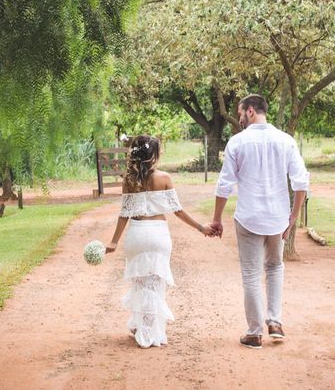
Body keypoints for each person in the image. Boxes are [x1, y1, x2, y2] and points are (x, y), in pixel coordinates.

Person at [211, 94, 309, 349]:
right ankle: (275, 323)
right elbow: (301, 183)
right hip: (278, 217)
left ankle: (254, 333)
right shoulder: (285, 140)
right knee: (275, 267)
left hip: (249, 217)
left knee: (252, 274)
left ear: (251, 111)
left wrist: (217, 219)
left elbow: (225, 185)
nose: (240, 118)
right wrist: (293, 218)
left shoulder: (237, 142)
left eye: (241, 112)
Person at [106, 135, 215, 348]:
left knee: (139, 283)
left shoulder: (129, 180)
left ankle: (140, 324)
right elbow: (178, 211)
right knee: (155, 285)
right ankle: (148, 331)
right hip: (157, 235)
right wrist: (201, 228)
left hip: (136, 235)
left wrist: (113, 242)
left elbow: (124, 214)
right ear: (153, 155)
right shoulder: (164, 178)